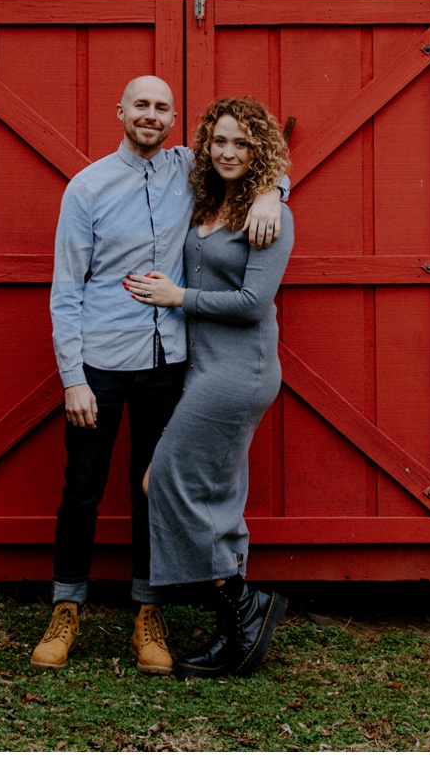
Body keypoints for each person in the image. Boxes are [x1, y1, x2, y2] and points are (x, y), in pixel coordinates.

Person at [32, 76, 285, 674]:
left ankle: (148, 611)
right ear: (120, 111)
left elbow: (250, 160)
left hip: (170, 363)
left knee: (153, 488)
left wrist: (273, 193)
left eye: (162, 108)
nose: (150, 115)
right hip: (100, 363)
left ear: (175, 121)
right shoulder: (87, 187)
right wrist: (72, 377)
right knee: (82, 489)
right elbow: (66, 288)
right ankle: (66, 609)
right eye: (141, 105)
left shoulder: (188, 171)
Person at [124, 96, 294, 678]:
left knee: (161, 481)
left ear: (258, 150)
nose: (227, 152)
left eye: (242, 144)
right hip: (203, 367)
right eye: (220, 141)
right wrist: (273, 185)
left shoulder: (269, 216)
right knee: (211, 492)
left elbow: (253, 303)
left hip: (239, 372)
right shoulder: (209, 198)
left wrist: (179, 298)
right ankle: (240, 619)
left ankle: (244, 607)